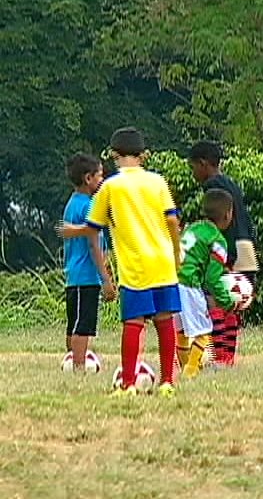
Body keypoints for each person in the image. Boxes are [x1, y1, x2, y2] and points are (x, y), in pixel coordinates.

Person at [59, 127, 182, 397]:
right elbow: (172, 220)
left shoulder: (110, 187)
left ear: (114, 155)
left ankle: (127, 384)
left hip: (134, 265)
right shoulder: (158, 182)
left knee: (134, 324)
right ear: (144, 155)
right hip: (162, 261)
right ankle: (168, 382)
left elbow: (93, 227)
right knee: (165, 321)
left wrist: (70, 231)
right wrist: (176, 252)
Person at [189, 140, 257, 367]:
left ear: (203, 164)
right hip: (245, 246)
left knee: (215, 302)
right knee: (232, 306)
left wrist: (218, 253)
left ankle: (217, 354)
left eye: (193, 168)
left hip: (228, 250)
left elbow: (221, 224)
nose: (193, 174)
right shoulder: (231, 183)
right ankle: (227, 356)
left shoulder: (213, 186)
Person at [175, 189, 246, 378]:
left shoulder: (193, 228)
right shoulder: (217, 241)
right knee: (204, 331)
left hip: (173, 281)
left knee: (181, 331)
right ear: (228, 214)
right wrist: (227, 301)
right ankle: (190, 371)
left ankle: (185, 367)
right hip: (190, 284)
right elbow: (213, 279)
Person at [62, 154, 116, 371]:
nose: (103, 180)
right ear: (88, 178)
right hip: (85, 276)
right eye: (100, 175)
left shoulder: (73, 204)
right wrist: (106, 279)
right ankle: (78, 365)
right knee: (83, 325)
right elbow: (94, 245)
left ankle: (72, 359)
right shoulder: (89, 207)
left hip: (74, 275)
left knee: (74, 322)